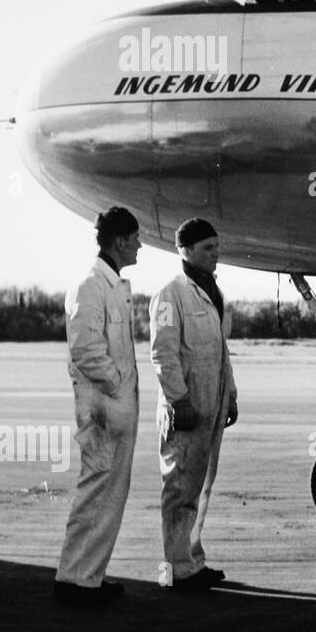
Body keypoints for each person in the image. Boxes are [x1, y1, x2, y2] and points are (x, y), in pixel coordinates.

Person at [54, 206, 142, 606]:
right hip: (104, 406)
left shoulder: (112, 283)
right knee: (97, 489)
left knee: (109, 492)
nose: (140, 244)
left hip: (116, 405)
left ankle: (88, 574)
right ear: (120, 241)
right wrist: (117, 384)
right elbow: (87, 350)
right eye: (135, 238)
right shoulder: (91, 284)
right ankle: (74, 579)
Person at [150, 218, 238, 593]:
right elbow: (162, 353)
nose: (215, 255)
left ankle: (191, 560)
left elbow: (222, 351)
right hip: (185, 405)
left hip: (212, 401)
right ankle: (175, 569)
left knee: (200, 485)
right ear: (184, 250)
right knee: (179, 488)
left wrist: (230, 394)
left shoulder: (214, 292)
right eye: (207, 248)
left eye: (217, 247)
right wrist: (178, 399)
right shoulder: (171, 294)